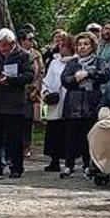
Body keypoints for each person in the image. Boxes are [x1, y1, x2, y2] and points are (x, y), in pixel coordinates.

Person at [0, 28, 33, 179]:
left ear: (12, 43)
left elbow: (29, 75)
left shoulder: (23, 56)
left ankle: (16, 167)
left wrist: (11, 80)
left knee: (14, 138)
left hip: (14, 103)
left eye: (4, 45)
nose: (1, 49)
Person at [60, 31, 110, 177]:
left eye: (86, 44)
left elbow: (106, 75)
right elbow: (65, 80)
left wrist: (89, 74)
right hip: (74, 103)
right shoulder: (72, 63)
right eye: (79, 44)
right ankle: (69, 165)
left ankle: (88, 164)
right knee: (71, 136)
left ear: (92, 46)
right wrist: (76, 78)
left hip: (91, 102)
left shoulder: (99, 61)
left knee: (89, 135)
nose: (82, 47)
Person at [41, 34, 73, 172]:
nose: (61, 49)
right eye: (60, 46)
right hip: (55, 100)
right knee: (53, 130)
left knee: (68, 131)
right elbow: (47, 79)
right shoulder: (54, 62)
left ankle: (68, 161)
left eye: (64, 46)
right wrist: (46, 92)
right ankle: (54, 160)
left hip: (68, 100)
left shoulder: (75, 62)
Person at [19, 28, 44, 157]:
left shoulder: (37, 55)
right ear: (22, 41)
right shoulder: (17, 53)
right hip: (19, 90)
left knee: (28, 119)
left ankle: (27, 145)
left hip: (32, 90)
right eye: (29, 39)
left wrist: (37, 88)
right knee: (19, 119)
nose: (32, 42)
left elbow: (40, 73)